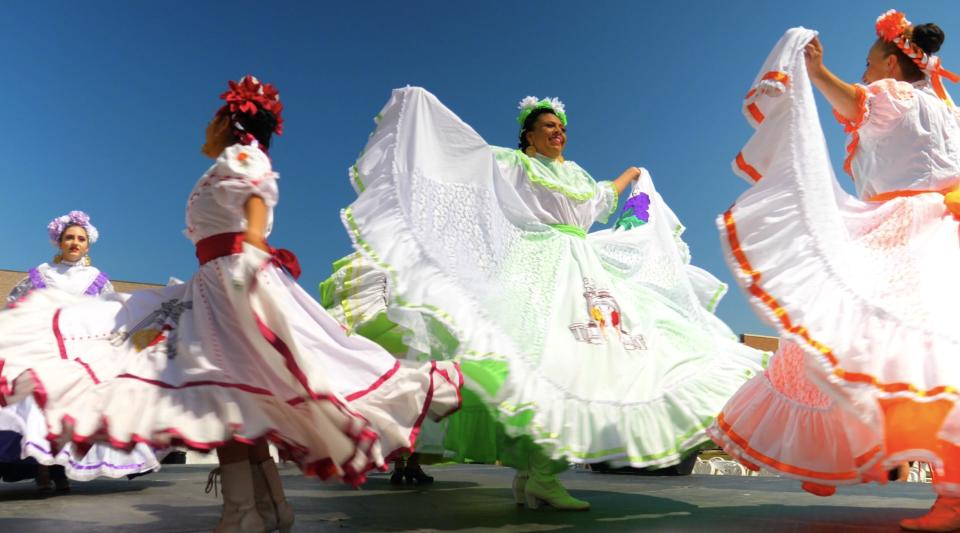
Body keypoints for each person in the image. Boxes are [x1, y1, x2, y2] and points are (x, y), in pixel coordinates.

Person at [0, 76, 461, 532]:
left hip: (232, 278)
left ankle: (244, 513)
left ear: (230, 122)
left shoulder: (240, 156)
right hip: (216, 280)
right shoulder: (224, 162)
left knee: (224, 391)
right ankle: (266, 507)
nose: (205, 129)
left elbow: (257, 190)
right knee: (232, 396)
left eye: (212, 120)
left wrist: (254, 244)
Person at [337, 88, 765, 510]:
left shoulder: (577, 175)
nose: (558, 133)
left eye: (561, 127)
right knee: (546, 363)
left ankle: (537, 476)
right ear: (529, 135)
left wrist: (633, 173)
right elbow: (470, 165)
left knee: (594, 363)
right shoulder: (516, 165)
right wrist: (423, 117)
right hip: (538, 265)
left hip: (585, 268)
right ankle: (538, 474)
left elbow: (602, 199)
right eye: (548, 127)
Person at [706, 11, 960, 532]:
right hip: (945, 225)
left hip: (908, 227)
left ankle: (852, 464)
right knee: (914, 352)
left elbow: (859, 101)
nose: (865, 73)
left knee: (857, 339)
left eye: (869, 64)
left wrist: (818, 72)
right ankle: (882, 472)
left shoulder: (894, 96)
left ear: (891, 62)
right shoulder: (948, 108)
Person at [1, 211, 162, 494]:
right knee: (37, 407)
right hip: (45, 345)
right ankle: (42, 467)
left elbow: (111, 313)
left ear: (88, 245)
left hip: (81, 349)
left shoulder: (97, 278)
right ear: (59, 242)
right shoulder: (42, 274)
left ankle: (60, 470)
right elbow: (16, 303)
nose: (75, 243)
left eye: (80, 239)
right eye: (69, 238)